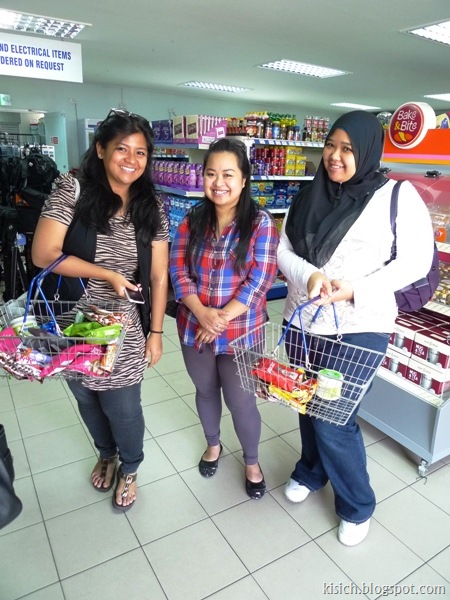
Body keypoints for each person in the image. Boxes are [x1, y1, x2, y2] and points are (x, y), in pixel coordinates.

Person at [277, 110, 434, 545]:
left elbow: (415, 261)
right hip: (302, 319)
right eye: (331, 145)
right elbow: (283, 249)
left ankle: (357, 504)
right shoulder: (308, 195)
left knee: (333, 416)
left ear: (366, 152)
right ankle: (312, 471)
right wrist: (309, 274)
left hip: (359, 323)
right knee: (306, 403)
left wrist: (354, 289)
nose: (335, 156)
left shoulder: (397, 196)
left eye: (347, 149)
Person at [31, 108, 169, 512]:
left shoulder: (151, 205)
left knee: (122, 407)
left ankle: (131, 467)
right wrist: (105, 273)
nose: (131, 160)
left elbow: (159, 275)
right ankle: (106, 454)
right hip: (73, 322)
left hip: (124, 328)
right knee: (87, 398)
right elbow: (43, 253)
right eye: (122, 149)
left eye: (141, 152)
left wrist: (156, 332)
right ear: (101, 149)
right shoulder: (71, 190)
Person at [169, 137, 279, 499]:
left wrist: (220, 319)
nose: (219, 182)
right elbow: (178, 270)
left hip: (242, 332)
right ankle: (213, 444)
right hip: (194, 327)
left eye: (228, 174)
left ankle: (252, 461)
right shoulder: (191, 220)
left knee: (241, 400)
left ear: (244, 179)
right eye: (211, 174)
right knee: (204, 390)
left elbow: (260, 280)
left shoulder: (261, 223)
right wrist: (201, 313)